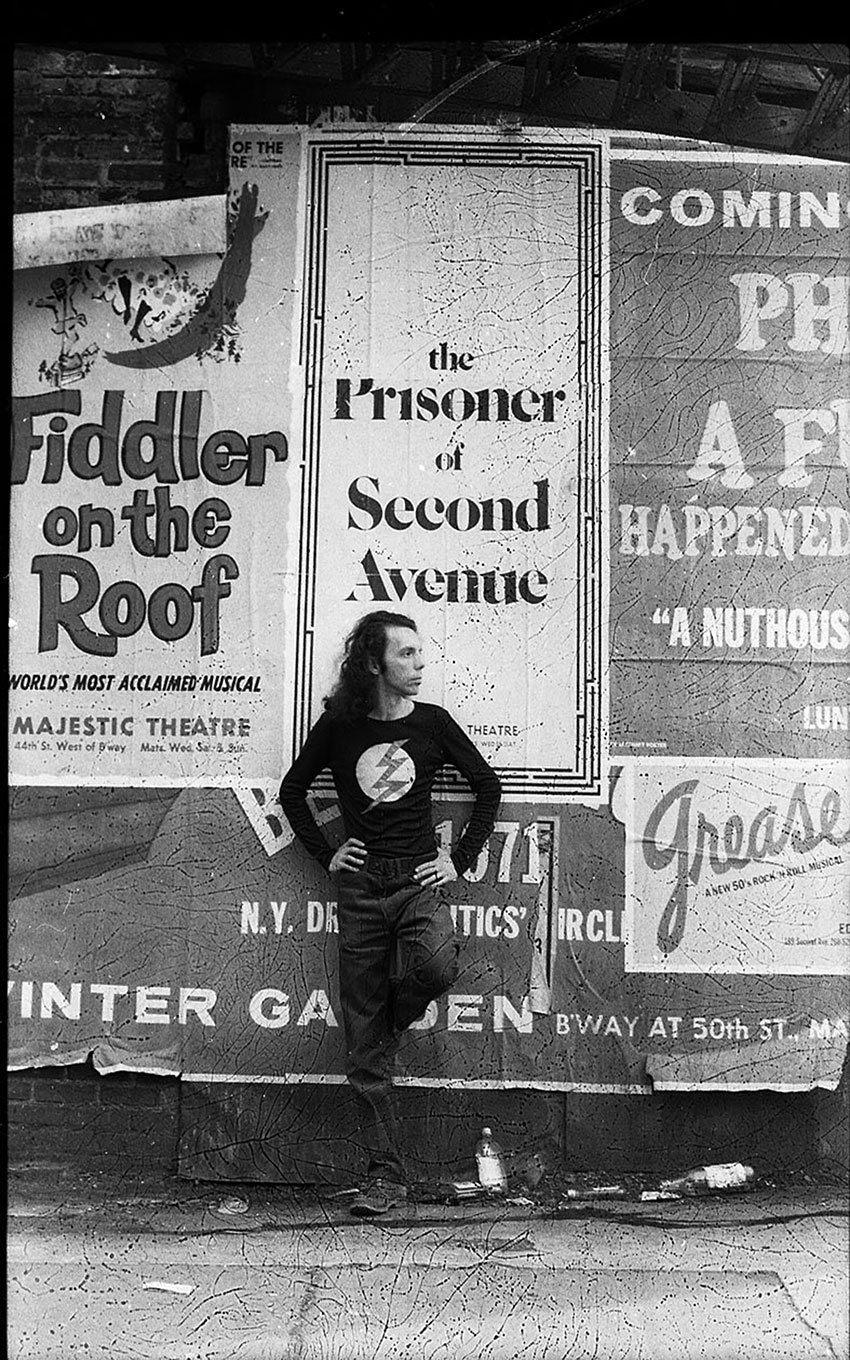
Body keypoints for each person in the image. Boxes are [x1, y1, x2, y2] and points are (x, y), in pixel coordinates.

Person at [279, 609, 502, 1216]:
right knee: (363, 1046)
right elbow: (292, 792)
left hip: (416, 878)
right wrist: (329, 852)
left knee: (433, 970)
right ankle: (386, 1177)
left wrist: (459, 857)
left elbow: (488, 787)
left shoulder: (432, 724)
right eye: (406, 654)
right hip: (360, 890)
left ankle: (386, 1026)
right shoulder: (341, 727)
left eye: (419, 653)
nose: (419, 664)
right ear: (374, 663)